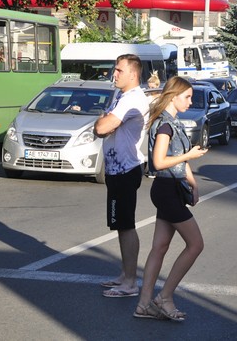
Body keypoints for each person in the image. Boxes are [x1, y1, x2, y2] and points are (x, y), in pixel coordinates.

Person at [134, 77, 208, 321]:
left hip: (171, 188)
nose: (190, 101)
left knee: (160, 247)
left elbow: (178, 159)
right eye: (187, 96)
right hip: (166, 189)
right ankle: (164, 297)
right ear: (173, 96)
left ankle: (144, 304)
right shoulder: (165, 125)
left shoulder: (172, 122)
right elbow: (159, 162)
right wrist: (189, 155)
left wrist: (193, 183)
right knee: (196, 244)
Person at [94, 54, 149, 298]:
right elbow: (104, 127)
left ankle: (130, 283)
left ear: (133, 75)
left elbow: (101, 127)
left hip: (126, 170)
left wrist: (103, 122)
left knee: (126, 225)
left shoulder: (132, 99)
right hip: (117, 169)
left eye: (118, 70)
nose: (113, 74)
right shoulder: (121, 96)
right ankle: (125, 275)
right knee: (120, 225)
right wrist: (104, 122)